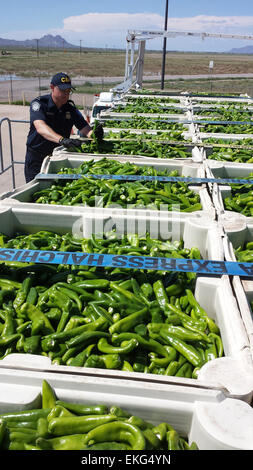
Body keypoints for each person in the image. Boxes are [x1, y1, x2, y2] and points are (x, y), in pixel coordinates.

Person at [24, 72, 103, 182]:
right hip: (37, 157)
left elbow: (85, 128)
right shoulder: (40, 104)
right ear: (52, 87)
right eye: (62, 91)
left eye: (68, 91)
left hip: (58, 157)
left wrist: (95, 134)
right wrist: (62, 140)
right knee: (34, 188)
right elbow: (40, 127)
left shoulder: (70, 109)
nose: (66, 94)